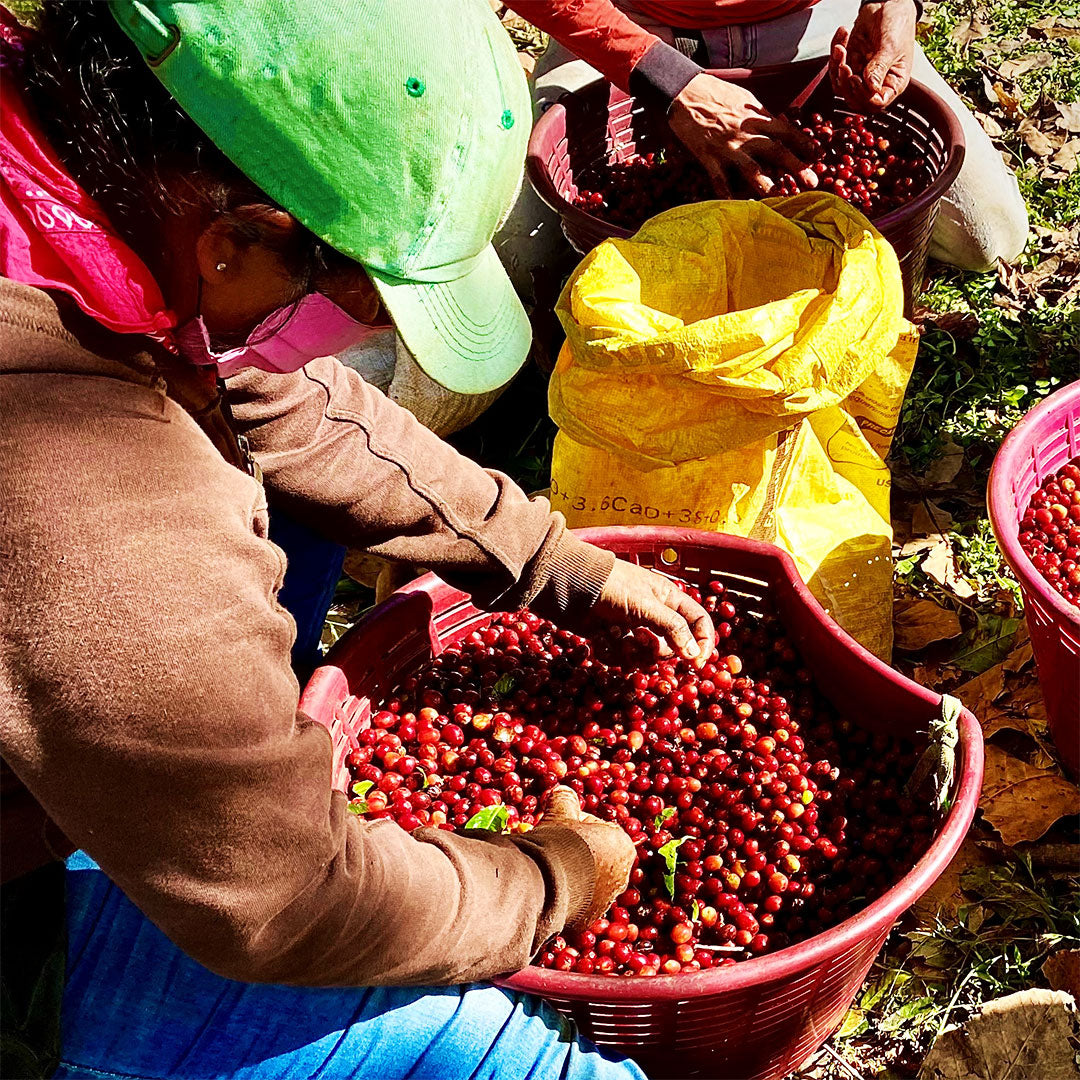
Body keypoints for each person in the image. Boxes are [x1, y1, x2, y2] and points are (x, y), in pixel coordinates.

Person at [0, 2, 716, 1077]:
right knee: (515, 1059)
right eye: (363, 299)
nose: (372, 331)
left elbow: (271, 399)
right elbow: (287, 899)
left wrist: (544, 557)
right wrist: (557, 875)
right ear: (236, 240)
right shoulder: (87, 498)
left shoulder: (69, 174)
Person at [496, 0, 1028, 299]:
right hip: (625, 21)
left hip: (813, 21)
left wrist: (892, 4)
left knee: (992, 236)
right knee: (519, 261)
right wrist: (665, 78)